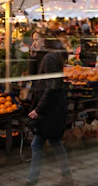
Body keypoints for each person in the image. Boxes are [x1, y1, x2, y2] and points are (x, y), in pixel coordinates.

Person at [27, 28, 73, 186]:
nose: (33, 43)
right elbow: (34, 78)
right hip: (52, 106)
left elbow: (52, 87)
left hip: (51, 108)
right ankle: (67, 177)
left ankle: (32, 181)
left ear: (45, 40)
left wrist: (38, 110)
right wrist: (32, 57)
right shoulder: (46, 56)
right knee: (53, 142)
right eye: (33, 40)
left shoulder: (50, 58)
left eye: (36, 39)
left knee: (38, 144)